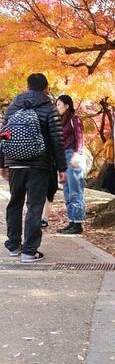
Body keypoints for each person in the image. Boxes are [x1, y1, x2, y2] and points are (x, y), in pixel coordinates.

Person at [0, 73, 66, 263]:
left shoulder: (14, 106)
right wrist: (62, 168)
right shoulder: (49, 108)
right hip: (39, 163)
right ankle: (30, 251)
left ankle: (13, 246)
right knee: (35, 206)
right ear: (46, 88)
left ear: (27, 86)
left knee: (15, 203)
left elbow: (4, 134)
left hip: (15, 162)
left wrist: (3, 163)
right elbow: (56, 140)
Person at [56, 95, 86, 234]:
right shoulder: (62, 121)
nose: (57, 107)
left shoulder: (75, 119)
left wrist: (77, 154)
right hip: (64, 156)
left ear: (67, 105)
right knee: (67, 191)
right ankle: (72, 221)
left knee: (75, 190)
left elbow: (80, 137)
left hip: (73, 155)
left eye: (59, 105)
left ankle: (78, 223)